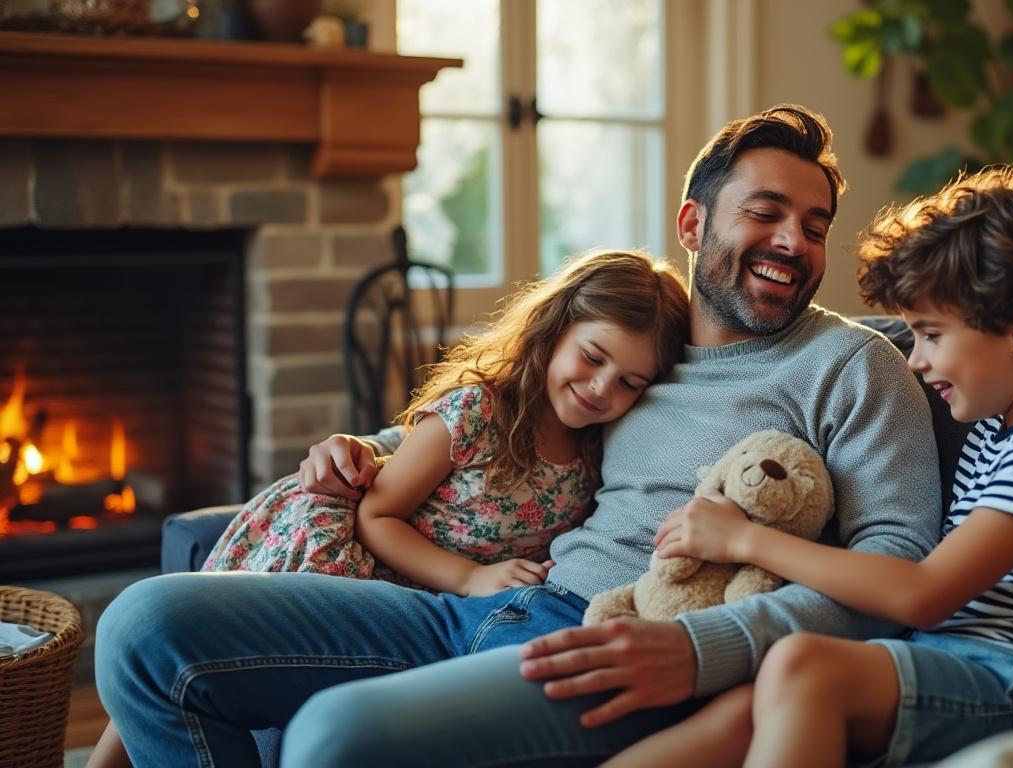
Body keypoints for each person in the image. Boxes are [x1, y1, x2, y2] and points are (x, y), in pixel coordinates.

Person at [93, 104, 944, 768]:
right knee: (145, 627)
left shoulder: (853, 366)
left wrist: (701, 648)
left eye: (816, 223)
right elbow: (502, 417)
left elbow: (898, 572)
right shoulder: (644, 352)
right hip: (476, 607)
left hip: (612, 647)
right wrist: (371, 450)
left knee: (337, 741)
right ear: (693, 227)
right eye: (766, 213)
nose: (794, 242)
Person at [605, 164, 1013, 768]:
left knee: (801, 665)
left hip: (1009, 681)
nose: (915, 361)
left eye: (931, 335)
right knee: (743, 709)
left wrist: (746, 540)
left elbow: (924, 595)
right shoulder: (997, 423)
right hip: (940, 658)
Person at [85, 248, 690, 768]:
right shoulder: (476, 414)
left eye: (630, 383)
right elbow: (377, 517)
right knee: (161, 659)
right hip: (355, 551)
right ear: (555, 329)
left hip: (434, 604)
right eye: (592, 357)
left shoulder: (596, 449)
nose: (602, 389)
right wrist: (471, 579)